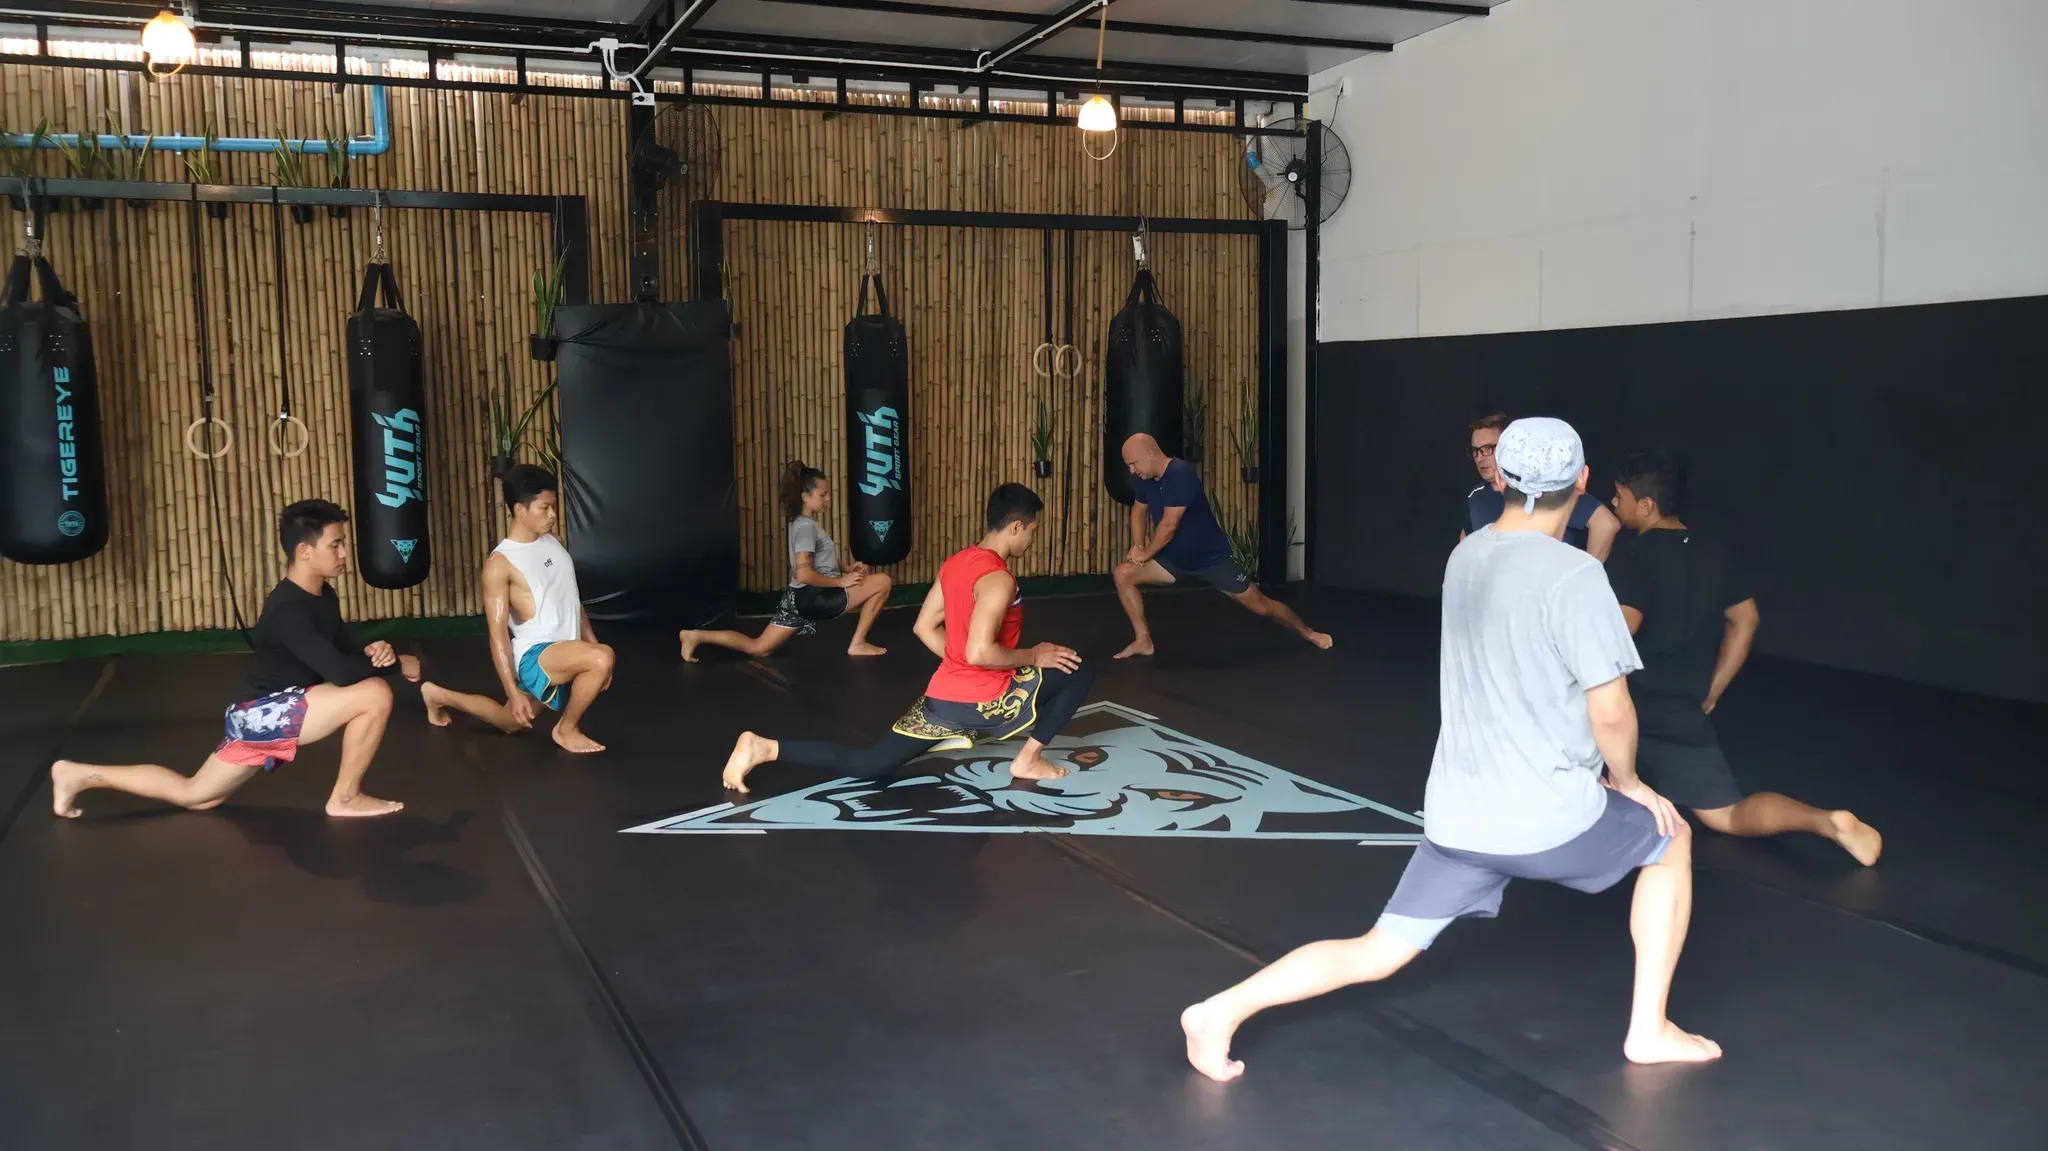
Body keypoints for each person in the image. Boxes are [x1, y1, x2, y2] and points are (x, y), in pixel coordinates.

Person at [1180, 417, 1719, 1082]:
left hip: (1457, 816)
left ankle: (1218, 1011)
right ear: (1582, 483)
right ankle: (1649, 1029)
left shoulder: (1463, 557)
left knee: (1377, 948)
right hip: (1542, 816)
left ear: (1503, 477)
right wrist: (1629, 782)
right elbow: (1611, 709)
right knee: (1672, 838)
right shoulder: (1578, 576)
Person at [721, 483, 1095, 793]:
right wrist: (1032, 655)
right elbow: (980, 652)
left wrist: (961, 661)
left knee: (870, 763)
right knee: (1080, 667)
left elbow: (924, 627)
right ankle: (1028, 759)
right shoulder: (999, 579)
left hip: (942, 699)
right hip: (985, 699)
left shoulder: (956, 563)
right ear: (1015, 527)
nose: (1030, 539)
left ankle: (764, 748)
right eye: (1032, 531)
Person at [51, 499, 409, 820]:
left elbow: (345, 652)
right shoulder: (288, 609)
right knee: (374, 693)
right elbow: (342, 674)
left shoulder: (322, 595)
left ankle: (76, 775)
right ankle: (346, 798)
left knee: (196, 795)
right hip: (264, 715)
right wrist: (398, 665)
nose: (344, 552)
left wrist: (377, 651)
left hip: (254, 716)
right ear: (304, 551)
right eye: (336, 544)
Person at [1605, 450, 1881, 865]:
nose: (1613, 503)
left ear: (1645, 505)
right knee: (1727, 815)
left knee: (1572, 763)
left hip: (1629, 701)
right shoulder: (1711, 552)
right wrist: (1713, 690)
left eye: (1619, 496)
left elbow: (1622, 630)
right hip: (1681, 709)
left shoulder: (1631, 557)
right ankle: (1826, 821)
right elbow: (1746, 619)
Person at [418, 465, 615, 754]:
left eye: (554, 507)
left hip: (566, 652)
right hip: (536, 655)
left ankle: (437, 695)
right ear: (520, 510)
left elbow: (573, 601)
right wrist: (512, 689)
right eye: (544, 508)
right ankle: (566, 730)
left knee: (510, 722)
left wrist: (591, 642)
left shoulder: (554, 543)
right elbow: (497, 634)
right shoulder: (500, 564)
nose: (552, 514)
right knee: (601, 658)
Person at [1110, 433, 1331, 658]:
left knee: (1263, 607)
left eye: (1133, 463)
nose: (1132, 470)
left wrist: (1145, 554)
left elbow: (1169, 526)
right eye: (1128, 465)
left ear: (1150, 453)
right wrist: (1138, 547)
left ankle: (1308, 632)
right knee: (1123, 574)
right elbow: (1138, 510)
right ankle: (1143, 640)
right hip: (1172, 561)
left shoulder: (1179, 474)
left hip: (1211, 561)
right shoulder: (1146, 479)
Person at [679, 461, 893, 662]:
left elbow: (816, 558)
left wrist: (846, 567)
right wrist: (840, 581)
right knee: (883, 581)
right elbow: (804, 573)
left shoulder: (801, 522)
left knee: (759, 647)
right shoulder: (806, 527)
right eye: (823, 494)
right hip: (818, 597)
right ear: (805, 497)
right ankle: (858, 643)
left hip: (797, 598)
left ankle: (695, 636)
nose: (828, 499)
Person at [1462, 412, 1620, 559]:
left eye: (1488, 449)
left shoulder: (1545, 487)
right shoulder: (1476, 496)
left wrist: (1583, 573)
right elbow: (1466, 541)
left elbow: (1606, 524)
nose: (1480, 458)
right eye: (1475, 450)